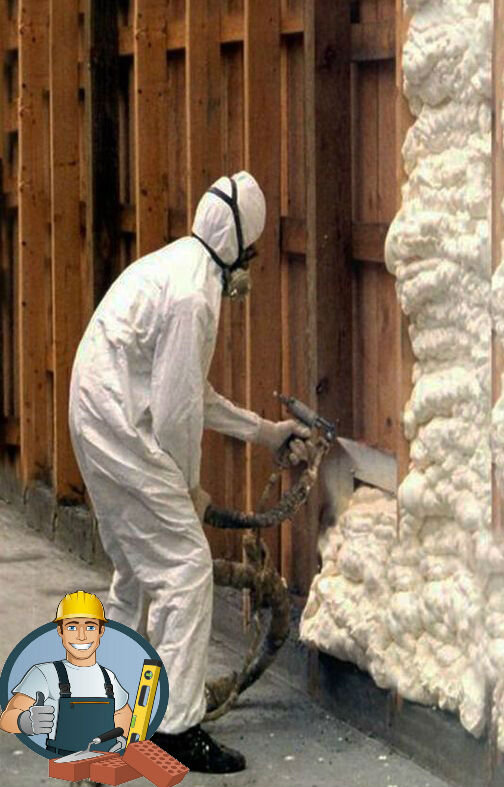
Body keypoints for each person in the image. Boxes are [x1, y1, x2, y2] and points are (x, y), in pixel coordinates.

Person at [67, 172, 309, 773]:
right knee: (187, 569)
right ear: (238, 244)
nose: (250, 265)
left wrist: (265, 433)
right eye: (252, 252)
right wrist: (190, 491)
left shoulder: (179, 266)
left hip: (98, 414)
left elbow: (191, 393)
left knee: (136, 568)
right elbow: (176, 416)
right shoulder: (194, 297)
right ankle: (176, 729)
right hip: (119, 426)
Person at [0, 592, 133, 757]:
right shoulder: (45, 674)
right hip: (62, 761)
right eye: (72, 627)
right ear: (60, 631)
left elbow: (123, 713)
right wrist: (24, 721)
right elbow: (6, 719)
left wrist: (122, 737)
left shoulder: (108, 677)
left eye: (90, 627)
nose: (81, 636)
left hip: (105, 761)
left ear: (101, 631)